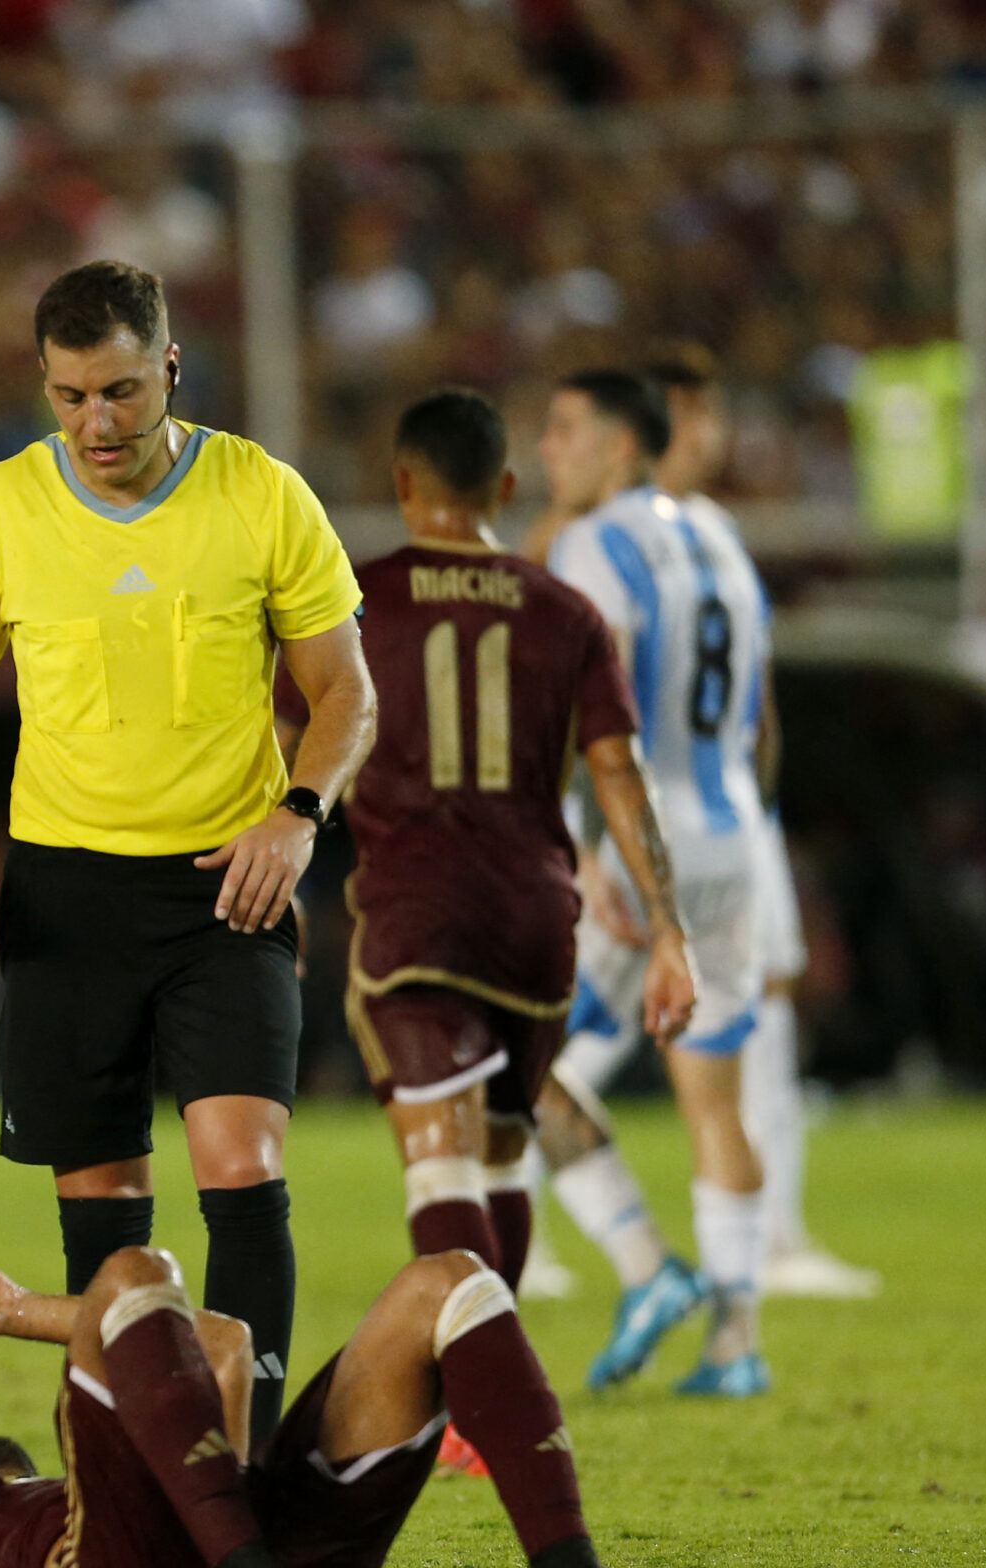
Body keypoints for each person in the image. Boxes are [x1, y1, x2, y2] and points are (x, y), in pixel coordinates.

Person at [0, 260, 377, 1452]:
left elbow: (345, 692)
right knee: (104, 1214)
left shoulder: (260, 494)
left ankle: (250, 1468)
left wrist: (298, 812)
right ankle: (123, 1479)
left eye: (117, 391)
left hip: (231, 879)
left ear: (169, 366)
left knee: (241, 1168)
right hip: (69, 895)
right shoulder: (1, 504)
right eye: (68, 397)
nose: (95, 424)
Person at [284, 389, 698, 1467]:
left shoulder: (358, 597)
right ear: (505, 488)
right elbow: (618, 772)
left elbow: (293, 731)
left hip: (418, 910)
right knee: (506, 1151)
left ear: (401, 483)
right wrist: (667, 930)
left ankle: (476, 1407)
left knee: (439, 1165)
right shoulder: (564, 612)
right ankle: (483, 1397)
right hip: (532, 920)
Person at [0, 1241, 718, 1568]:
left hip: (253, 1544)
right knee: (132, 1272)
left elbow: (225, 1344)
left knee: (449, 1282)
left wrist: (14, 1312)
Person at [532, 370, 776, 1398]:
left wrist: (587, 844)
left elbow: (601, 706)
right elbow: (761, 712)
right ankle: (736, 1344)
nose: (548, 451)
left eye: (564, 430)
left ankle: (643, 1264)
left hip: (642, 846)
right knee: (715, 1100)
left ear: (621, 447)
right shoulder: (721, 532)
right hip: (734, 836)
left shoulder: (596, 545)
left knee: (507, 1067)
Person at [640, 349, 876, 1300]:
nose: (711, 433)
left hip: (731, 804)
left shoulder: (716, 528)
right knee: (569, 1025)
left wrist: (760, 803)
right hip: (644, 808)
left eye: (713, 413)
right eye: (693, 414)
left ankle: (774, 1238)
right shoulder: (614, 535)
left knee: (762, 1000)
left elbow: (755, 692)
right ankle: (507, 1233)